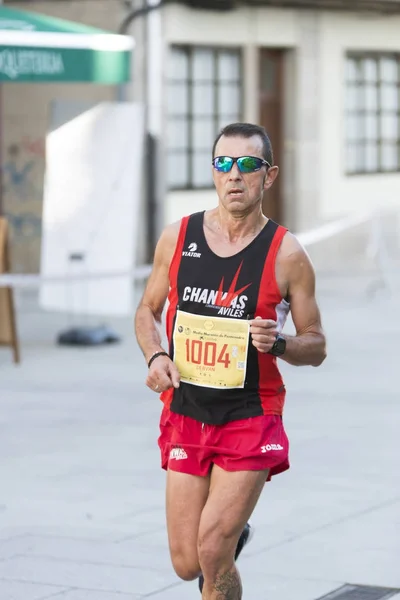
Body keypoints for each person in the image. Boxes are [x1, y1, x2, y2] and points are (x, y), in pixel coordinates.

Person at [134, 122, 327, 599]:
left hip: (250, 415)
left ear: (269, 175)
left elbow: (317, 344)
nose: (234, 175)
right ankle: (231, 535)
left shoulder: (287, 255)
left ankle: (224, 541)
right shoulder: (178, 237)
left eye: (248, 165)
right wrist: (156, 354)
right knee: (185, 563)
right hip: (187, 411)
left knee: (212, 548)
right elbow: (146, 310)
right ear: (213, 172)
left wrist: (279, 344)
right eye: (224, 163)